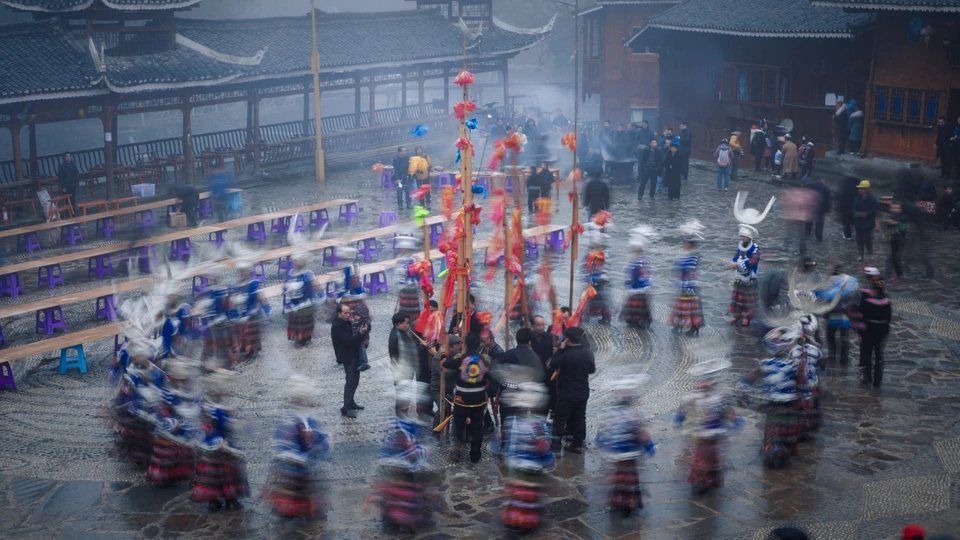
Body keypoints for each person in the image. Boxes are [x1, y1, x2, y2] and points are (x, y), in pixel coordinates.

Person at [263, 375, 330, 520]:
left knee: (293, 490)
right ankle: (299, 512)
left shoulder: (293, 418)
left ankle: (289, 512)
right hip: (298, 466)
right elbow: (310, 441)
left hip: (292, 465)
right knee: (303, 489)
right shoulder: (298, 421)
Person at [676, 358, 740, 494]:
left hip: (708, 432)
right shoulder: (708, 397)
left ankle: (706, 480)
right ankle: (706, 480)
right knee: (706, 457)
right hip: (704, 433)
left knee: (708, 457)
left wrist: (681, 420)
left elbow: (726, 411)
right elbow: (727, 411)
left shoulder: (715, 397)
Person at [594, 375, 655, 516]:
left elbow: (603, 431)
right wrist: (650, 448)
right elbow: (642, 435)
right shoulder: (636, 414)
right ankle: (629, 501)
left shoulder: (609, 412)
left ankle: (618, 500)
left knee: (619, 478)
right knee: (630, 478)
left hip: (617, 454)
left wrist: (600, 442)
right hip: (631, 455)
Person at [191, 369, 249, 513]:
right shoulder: (208, 407)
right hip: (213, 447)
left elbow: (234, 422)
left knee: (231, 474)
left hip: (229, 444)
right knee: (213, 476)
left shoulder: (229, 405)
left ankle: (232, 497)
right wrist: (217, 441)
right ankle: (213, 500)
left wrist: (236, 425)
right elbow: (207, 426)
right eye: (223, 389)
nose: (227, 391)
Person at [442, 332, 490, 463]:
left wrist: (443, 354)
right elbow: (491, 375)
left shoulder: (460, 357)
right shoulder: (485, 359)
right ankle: (475, 455)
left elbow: (446, 363)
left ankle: (456, 453)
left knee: (458, 425)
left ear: (466, 345)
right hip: (479, 398)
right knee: (477, 426)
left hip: (462, 398)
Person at [547, 327, 596, 454]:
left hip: (566, 393)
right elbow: (592, 369)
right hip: (582, 392)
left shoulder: (566, 355)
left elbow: (553, 363)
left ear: (567, 339)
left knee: (559, 420)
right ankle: (577, 444)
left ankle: (556, 447)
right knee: (580, 418)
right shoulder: (587, 352)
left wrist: (560, 350)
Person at [854, 268, 892, 387]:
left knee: (866, 354)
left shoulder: (867, 301)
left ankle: (867, 378)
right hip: (881, 332)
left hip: (868, 331)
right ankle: (878, 380)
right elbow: (888, 318)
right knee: (879, 355)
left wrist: (859, 331)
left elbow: (861, 316)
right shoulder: (887, 302)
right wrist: (886, 332)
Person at [331, 302, 370, 418]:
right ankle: (346, 408)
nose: (348, 315)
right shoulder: (337, 326)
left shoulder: (346, 322)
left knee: (355, 381)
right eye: (345, 313)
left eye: (349, 312)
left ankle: (351, 402)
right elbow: (348, 341)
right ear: (339, 313)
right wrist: (360, 333)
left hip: (353, 355)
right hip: (347, 357)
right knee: (350, 382)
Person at [670, 221, 705, 336]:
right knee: (681, 306)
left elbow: (688, 267)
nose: (684, 245)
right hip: (683, 285)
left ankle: (694, 327)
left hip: (691, 286)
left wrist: (680, 265)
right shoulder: (687, 254)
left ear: (690, 244)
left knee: (691, 308)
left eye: (686, 243)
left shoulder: (694, 256)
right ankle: (678, 324)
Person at [727, 224, 761, 327]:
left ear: (749, 237)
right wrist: (733, 262)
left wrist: (738, 264)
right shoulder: (740, 246)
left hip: (749, 276)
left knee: (747, 297)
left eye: (744, 236)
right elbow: (736, 255)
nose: (742, 238)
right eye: (741, 236)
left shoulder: (755, 248)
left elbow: (753, 261)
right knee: (738, 296)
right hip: (739, 275)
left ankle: (747, 316)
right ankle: (737, 314)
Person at [622, 226, 655, 328]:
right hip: (638, 289)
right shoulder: (641, 260)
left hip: (638, 289)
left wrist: (630, 283)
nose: (631, 249)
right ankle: (638, 320)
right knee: (639, 306)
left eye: (633, 247)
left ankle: (637, 321)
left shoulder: (640, 261)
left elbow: (640, 275)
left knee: (638, 306)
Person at [284, 254, 317, 348]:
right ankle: (299, 338)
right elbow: (286, 283)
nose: (294, 263)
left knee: (303, 323)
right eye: (294, 261)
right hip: (294, 303)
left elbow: (313, 287)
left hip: (305, 303)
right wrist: (285, 289)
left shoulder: (308, 274)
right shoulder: (291, 273)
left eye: (296, 261)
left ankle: (303, 339)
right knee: (296, 322)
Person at [430, 334, 461, 428]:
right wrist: (459, 368)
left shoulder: (456, 355)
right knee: (444, 407)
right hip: (438, 389)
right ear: (450, 347)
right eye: (457, 345)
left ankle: (458, 429)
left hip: (451, 389)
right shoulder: (438, 358)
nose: (459, 347)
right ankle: (436, 429)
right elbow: (446, 373)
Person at [852, 180, 878, 261]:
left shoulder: (872, 199)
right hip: (859, 222)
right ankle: (860, 254)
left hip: (868, 223)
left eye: (861, 188)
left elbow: (874, 209)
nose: (859, 190)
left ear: (866, 189)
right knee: (859, 240)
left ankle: (870, 253)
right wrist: (856, 213)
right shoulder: (856, 199)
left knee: (868, 240)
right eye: (859, 188)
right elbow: (853, 208)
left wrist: (866, 213)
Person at [388, 312, 417, 381]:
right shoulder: (398, 337)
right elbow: (409, 351)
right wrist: (422, 346)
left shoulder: (399, 333)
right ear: (399, 324)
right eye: (406, 323)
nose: (408, 325)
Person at [804, 176, 832, 243]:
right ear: (822, 180)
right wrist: (827, 209)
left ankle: (807, 232)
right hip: (820, 208)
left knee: (808, 220)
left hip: (810, 206)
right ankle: (818, 236)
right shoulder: (825, 188)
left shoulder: (809, 185)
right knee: (819, 223)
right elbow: (827, 200)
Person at [885, 203, 908, 280]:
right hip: (893, 238)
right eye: (893, 207)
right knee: (892, 257)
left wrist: (896, 223)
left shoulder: (903, 217)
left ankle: (900, 274)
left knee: (896, 257)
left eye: (897, 208)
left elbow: (904, 227)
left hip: (900, 239)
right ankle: (892, 274)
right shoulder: (891, 216)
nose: (895, 209)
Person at [839, 175, 859, 240]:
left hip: (847, 207)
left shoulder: (846, 186)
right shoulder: (859, 187)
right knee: (856, 222)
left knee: (847, 223)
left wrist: (841, 208)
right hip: (857, 208)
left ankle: (848, 236)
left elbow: (842, 198)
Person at [392, 146, 412, 211]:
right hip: (399, 178)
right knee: (400, 193)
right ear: (399, 152)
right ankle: (400, 205)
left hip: (406, 177)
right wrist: (397, 179)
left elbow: (409, 167)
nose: (405, 152)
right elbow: (396, 170)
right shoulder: (396, 160)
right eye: (403, 151)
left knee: (408, 191)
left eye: (405, 151)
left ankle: (409, 203)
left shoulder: (407, 158)